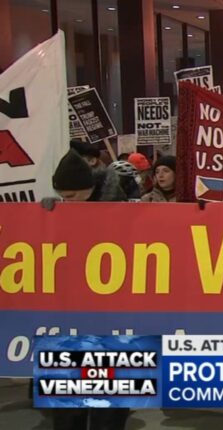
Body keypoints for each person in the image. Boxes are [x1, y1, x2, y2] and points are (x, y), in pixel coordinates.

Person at [44, 149, 128, 429]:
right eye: (62, 197)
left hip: (115, 324)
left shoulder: (125, 213)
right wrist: (44, 219)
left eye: (71, 197)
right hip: (69, 322)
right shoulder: (62, 213)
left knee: (109, 411)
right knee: (68, 413)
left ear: (89, 188)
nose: (66, 203)